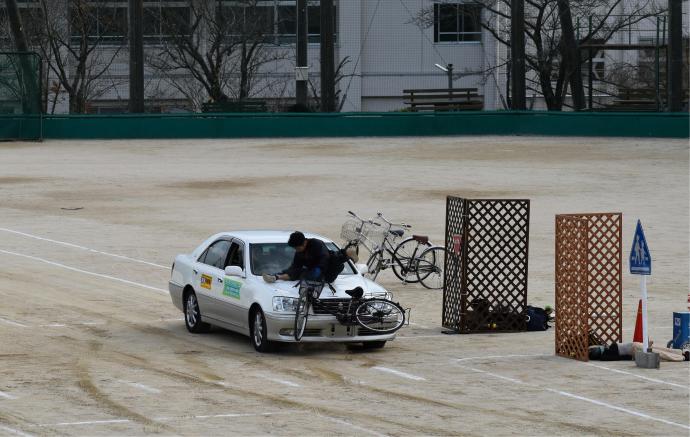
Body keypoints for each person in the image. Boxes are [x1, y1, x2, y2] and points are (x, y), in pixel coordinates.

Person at [262, 231, 358, 284]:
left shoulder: (317, 244)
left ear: (304, 242)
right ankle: (276, 277)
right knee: (297, 272)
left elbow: (324, 258)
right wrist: (282, 273)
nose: (297, 250)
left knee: (334, 258)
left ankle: (348, 253)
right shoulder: (299, 253)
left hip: (328, 271)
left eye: (298, 247)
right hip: (314, 274)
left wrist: (319, 270)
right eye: (295, 248)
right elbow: (294, 267)